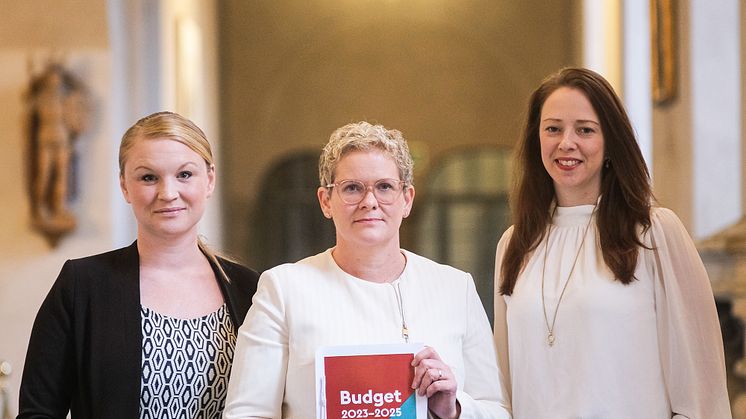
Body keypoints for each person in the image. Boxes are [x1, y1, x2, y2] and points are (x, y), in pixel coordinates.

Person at [224, 121, 511, 418]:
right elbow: (247, 413)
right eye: (352, 189)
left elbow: (497, 411)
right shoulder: (284, 290)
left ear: (407, 200)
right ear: (326, 201)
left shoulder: (454, 288)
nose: (369, 202)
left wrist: (454, 408)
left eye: (385, 187)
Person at [493, 67, 732, 418]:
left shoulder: (654, 233)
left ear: (610, 143)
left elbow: (701, 390)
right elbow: (503, 387)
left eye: (585, 130)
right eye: (553, 129)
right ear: (536, 140)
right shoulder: (514, 244)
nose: (566, 143)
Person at [17, 111, 259, 419]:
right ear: (124, 186)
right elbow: (37, 412)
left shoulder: (249, 289)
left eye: (184, 174)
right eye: (148, 177)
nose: (168, 193)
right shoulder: (82, 285)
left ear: (209, 180)